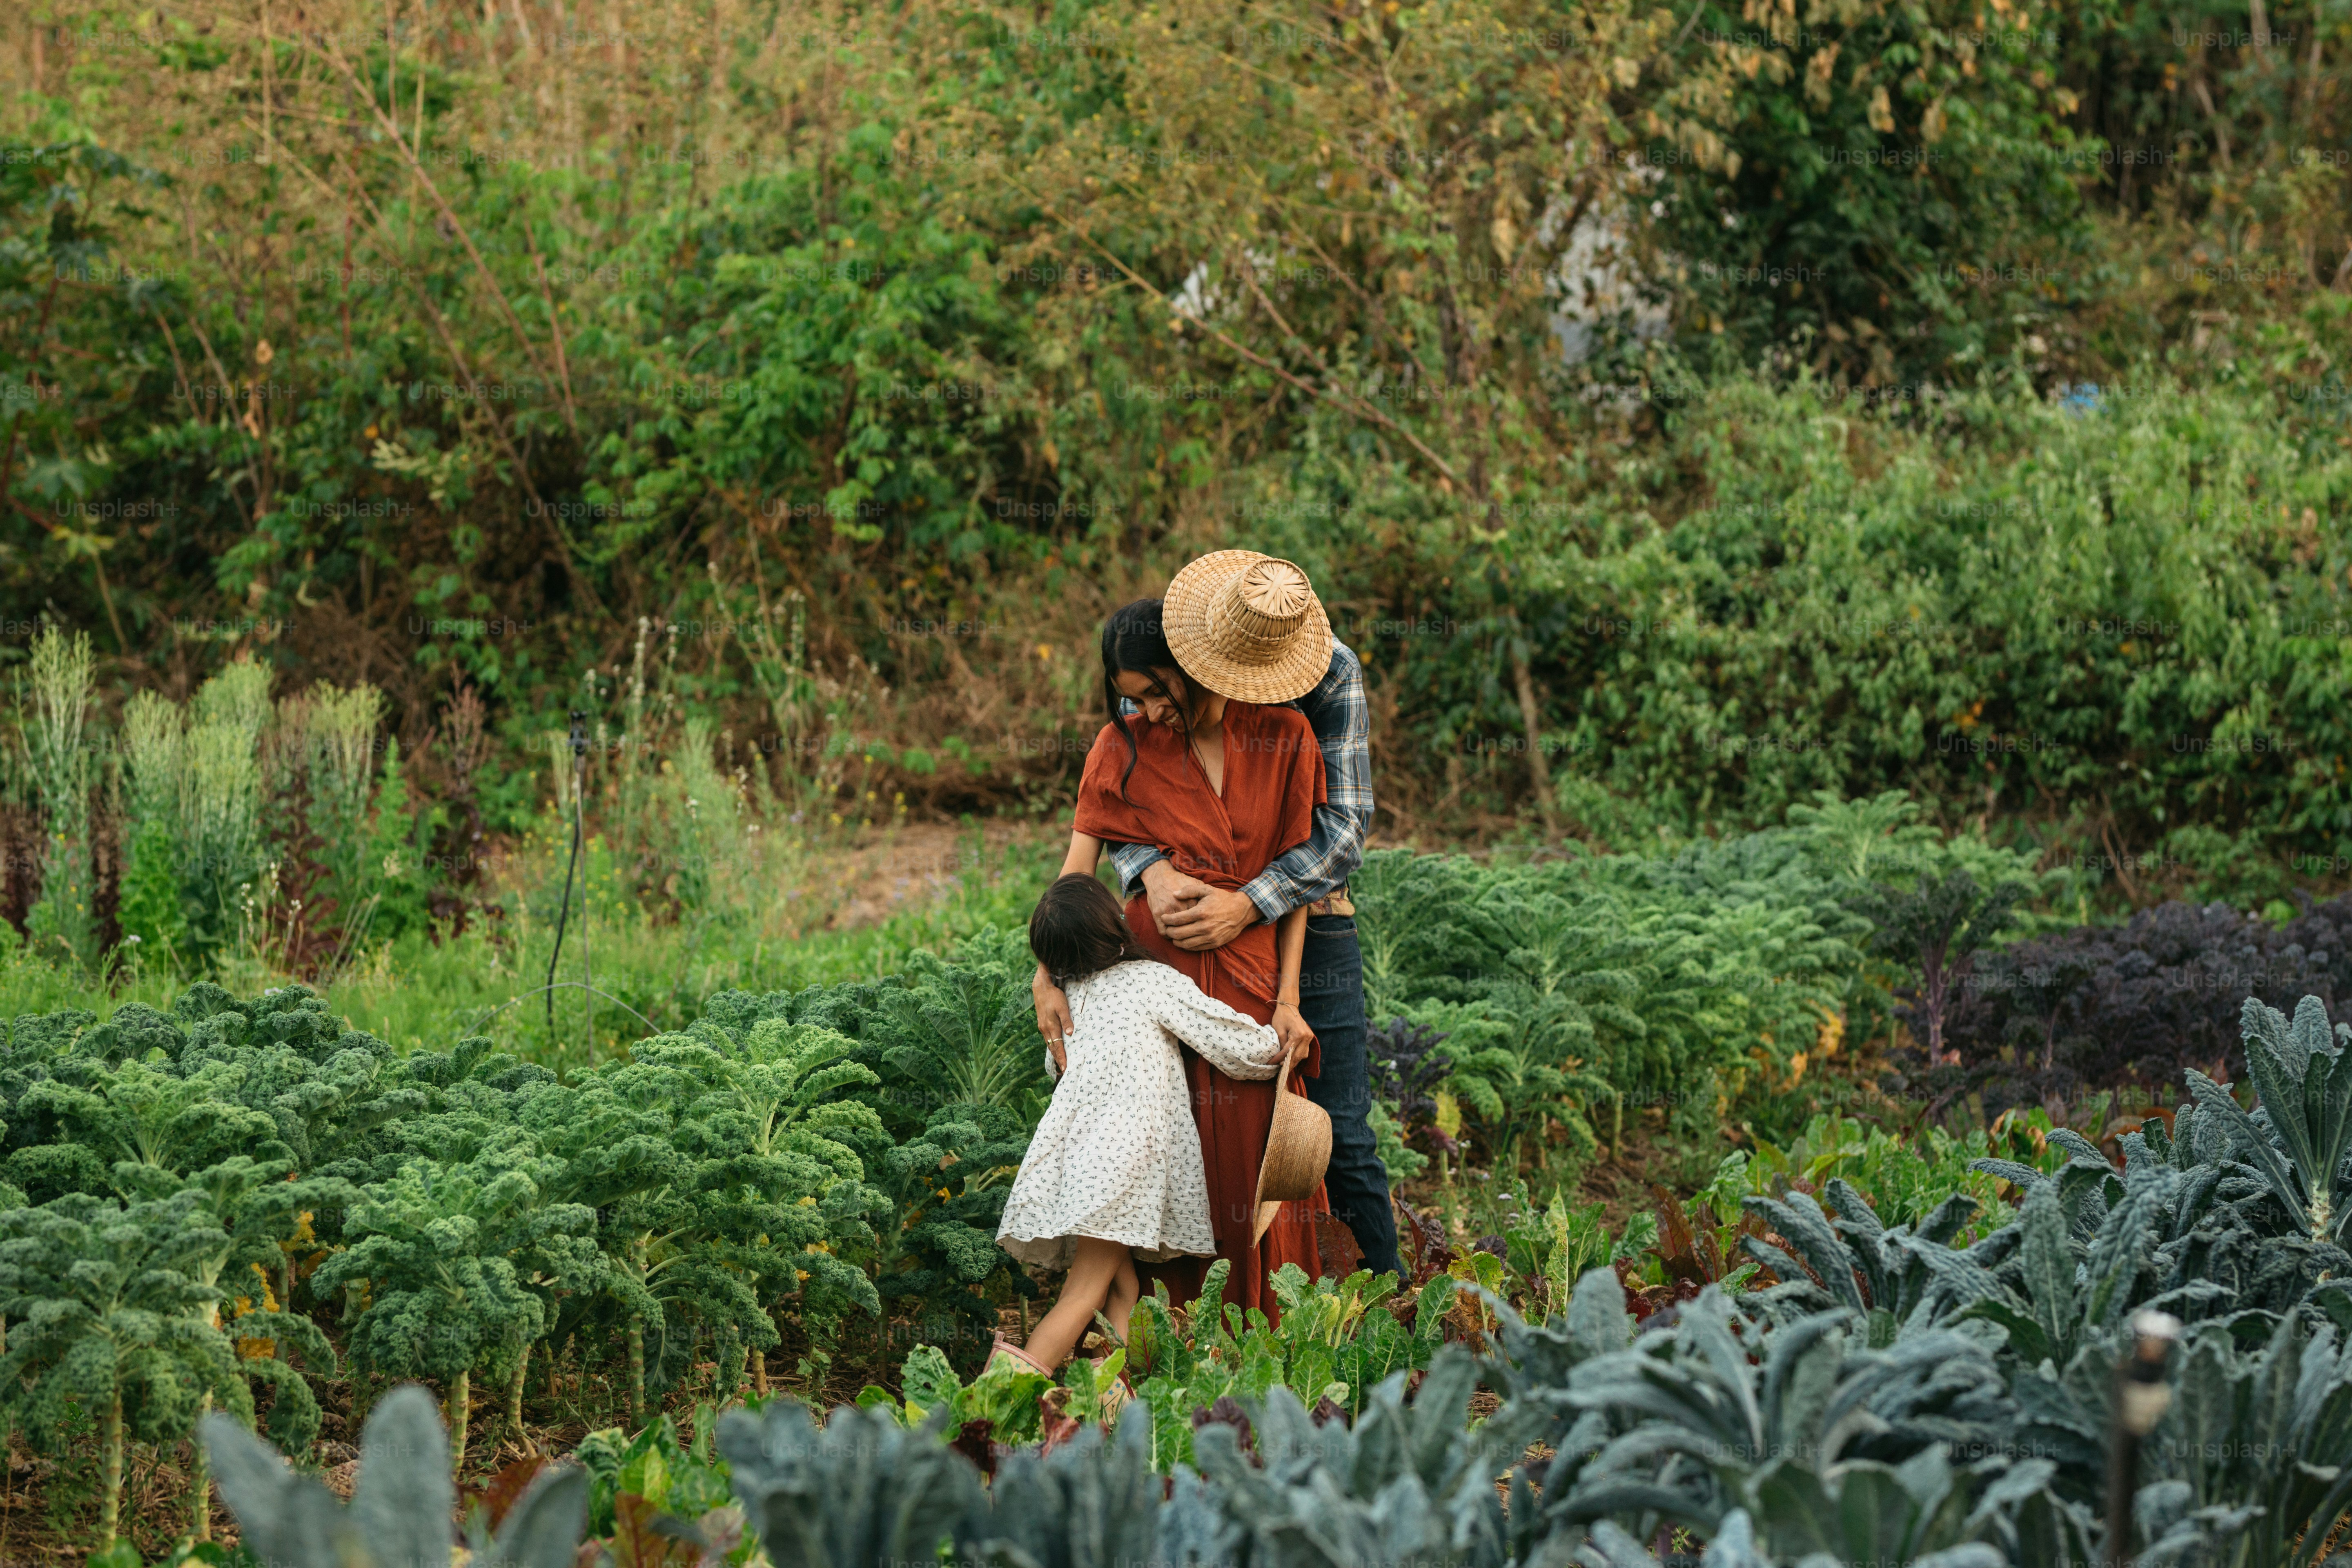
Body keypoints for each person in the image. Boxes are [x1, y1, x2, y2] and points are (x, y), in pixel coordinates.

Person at [1033, 551, 1400, 1281]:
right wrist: (1153, 872)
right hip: (1179, 951)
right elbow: (1127, 809)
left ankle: (1391, 1318)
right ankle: (1186, 1326)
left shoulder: (1325, 682)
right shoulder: (1149, 713)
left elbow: (1340, 836)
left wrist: (1246, 907)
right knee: (1185, 1130)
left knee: (1336, 1137)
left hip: (1303, 918)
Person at [990, 873, 1290, 1379]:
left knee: (1123, 1289)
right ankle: (990, 1409)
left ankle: (1115, 1405)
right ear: (1114, 922)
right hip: (1124, 1164)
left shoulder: (1068, 1000)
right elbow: (1228, 1043)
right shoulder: (1151, 982)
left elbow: (1055, 1067)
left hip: (1079, 1161)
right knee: (1083, 1292)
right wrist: (1278, 1043)